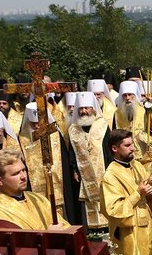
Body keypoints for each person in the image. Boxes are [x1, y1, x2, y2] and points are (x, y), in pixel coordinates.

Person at [100, 129, 152, 255]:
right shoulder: (110, 176)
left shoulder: (137, 165)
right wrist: (138, 193)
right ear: (114, 148)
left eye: (132, 144)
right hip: (129, 233)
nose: (133, 148)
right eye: (127, 145)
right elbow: (113, 210)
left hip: (149, 227)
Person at [0, 149, 69, 229]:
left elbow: (64, 226)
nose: (23, 176)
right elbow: (11, 247)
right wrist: (49, 237)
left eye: (24, 170)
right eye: (16, 173)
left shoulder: (38, 199)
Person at [18, 102, 74, 221]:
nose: (38, 127)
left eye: (39, 123)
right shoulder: (23, 138)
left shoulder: (54, 133)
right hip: (35, 186)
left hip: (56, 181)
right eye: (33, 124)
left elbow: (63, 160)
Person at [69, 91, 112, 231]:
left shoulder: (103, 125)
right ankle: (91, 231)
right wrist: (75, 169)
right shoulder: (73, 129)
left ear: (93, 108)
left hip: (103, 171)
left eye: (86, 108)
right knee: (86, 203)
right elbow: (72, 152)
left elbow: (109, 149)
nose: (84, 111)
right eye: (81, 108)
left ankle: (107, 228)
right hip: (84, 175)